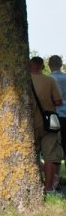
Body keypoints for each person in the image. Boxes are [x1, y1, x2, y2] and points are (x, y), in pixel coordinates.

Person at [29, 56, 63, 193]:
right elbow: (59, 101)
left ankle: (34, 185)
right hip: (49, 124)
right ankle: (49, 188)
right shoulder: (49, 80)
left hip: (29, 124)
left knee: (30, 155)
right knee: (50, 157)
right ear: (42, 66)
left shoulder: (24, 81)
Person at [48, 55, 66, 189]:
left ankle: (56, 179)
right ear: (61, 64)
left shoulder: (48, 80)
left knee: (55, 147)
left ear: (49, 65)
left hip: (54, 116)